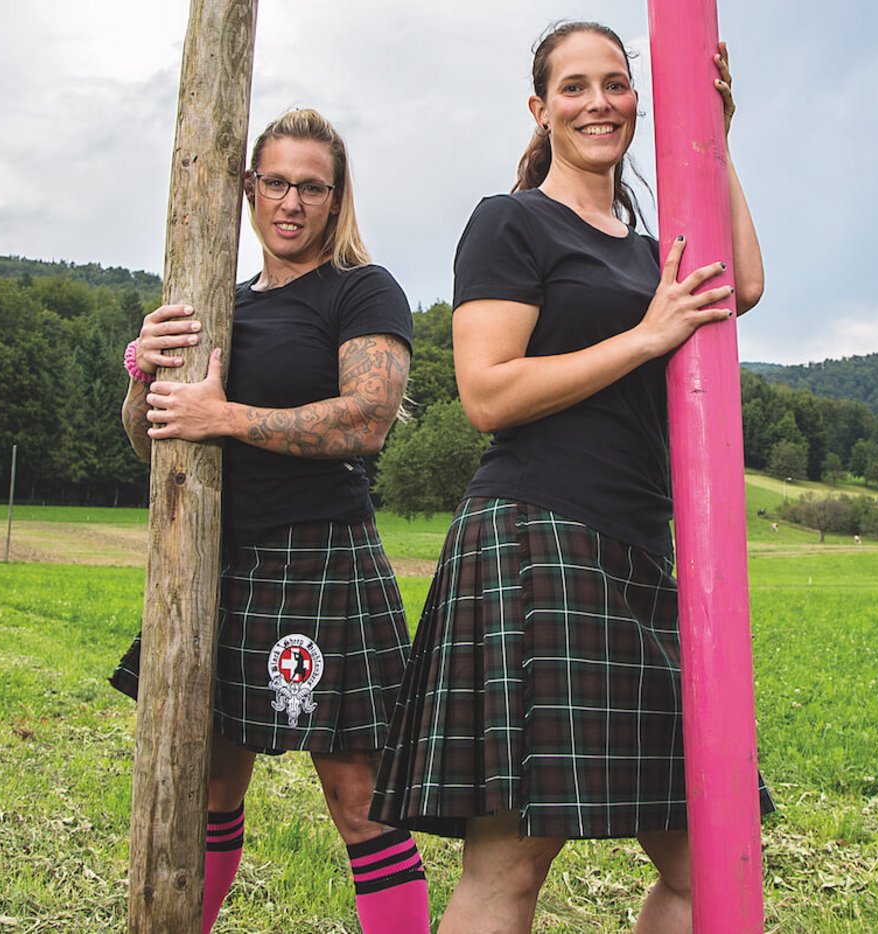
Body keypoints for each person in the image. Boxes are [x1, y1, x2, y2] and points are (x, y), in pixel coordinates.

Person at [371, 22, 770, 933]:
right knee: (509, 871)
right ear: (540, 107)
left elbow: (740, 283)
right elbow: (487, 392)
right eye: (577, 87)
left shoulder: (646, 248)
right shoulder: (511, 222)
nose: (600, 103)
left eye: (619, 85)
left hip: (636, 554)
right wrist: (645, 335)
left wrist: (715, 135)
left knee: (712, 855)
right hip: (534, 544)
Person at [110, 108, 429, 934]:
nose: (291, 202)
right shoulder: (214, 297)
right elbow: (152, 439)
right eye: (276, 182)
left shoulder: (361, 289)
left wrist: (227, 417)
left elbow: (368, 419)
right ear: (248, 188)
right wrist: (146, 373)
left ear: (335, 197)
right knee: (206, 784)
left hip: (322, 556)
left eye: (311, 187)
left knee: (359, 798)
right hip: (215, 562)